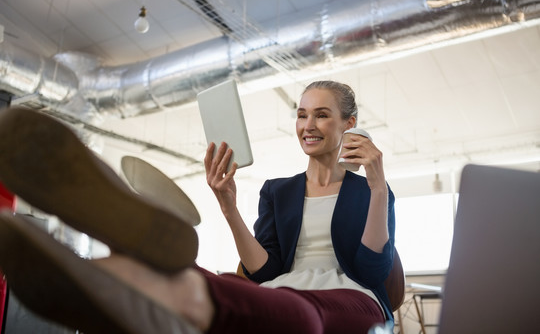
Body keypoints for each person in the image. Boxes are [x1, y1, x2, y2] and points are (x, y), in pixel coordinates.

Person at [0, 80, 395, 334]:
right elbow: (267, 270)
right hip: (282, 286)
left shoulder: (372, 191)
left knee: (303, 317)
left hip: (353, 296)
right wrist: (229, 207)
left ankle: (140, 273)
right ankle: (129, 267)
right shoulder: (279, 191)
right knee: (229, 283)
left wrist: (378, 187)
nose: (307, 125)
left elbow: (370, 270)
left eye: (322, 115)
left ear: (350, 123)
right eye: (302, 114)